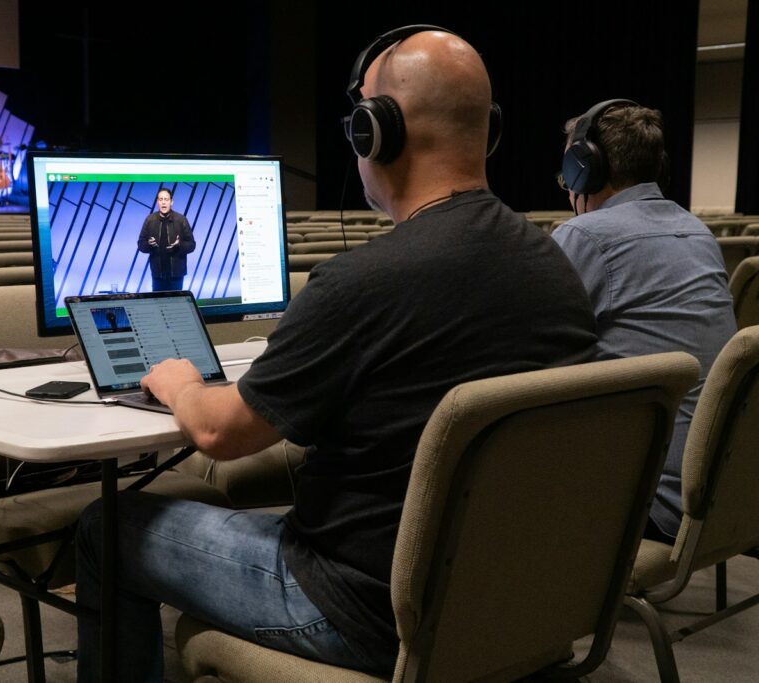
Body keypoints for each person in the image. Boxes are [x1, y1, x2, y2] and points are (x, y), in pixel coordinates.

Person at [74, 26, 598, 681]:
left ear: (377, 133)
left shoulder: (363, 282)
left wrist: (181, 382)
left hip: (363, 612)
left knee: (107, 525)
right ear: (483, 131)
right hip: (509, 600)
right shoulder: (554, 266)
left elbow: (220, 431)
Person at [552, 100, 736, 543]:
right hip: (722, 492)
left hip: (647, 503)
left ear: (585, 169)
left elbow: (533, 354)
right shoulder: (697, 231)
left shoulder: (583, 236)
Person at [137, 187, 196, 291]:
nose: (163, 202)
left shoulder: (181, 219)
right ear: (157, 202)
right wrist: (149, 244)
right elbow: (141, 244)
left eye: (166, 199)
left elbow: (192, 245)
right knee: (158, 304)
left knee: (176, 304)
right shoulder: (150, 220)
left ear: (171, 202)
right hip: (157, 274)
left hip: (176, 274)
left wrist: (179, 245)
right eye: (161, 199)